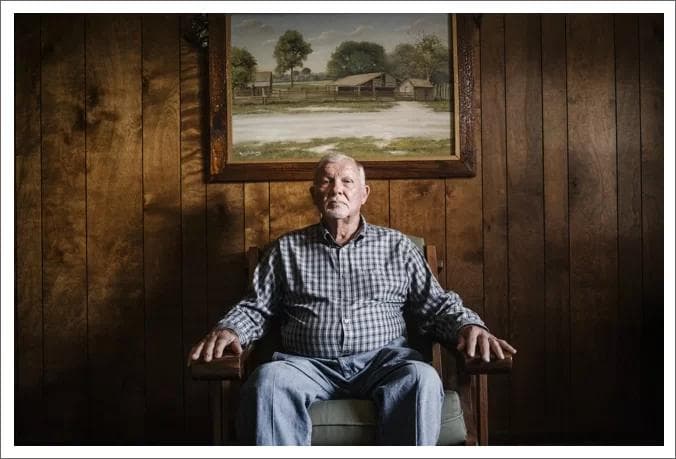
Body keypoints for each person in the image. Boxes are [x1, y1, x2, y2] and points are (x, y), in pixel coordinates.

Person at [188, 153, 516, 445]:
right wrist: (230, 329)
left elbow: (436, 305)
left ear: (364, 193)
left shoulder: (398, 247)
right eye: (326, 181)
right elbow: (256, 308)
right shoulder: (286, 250)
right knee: (268, 382)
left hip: (383, 362)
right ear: (314, 194)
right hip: (307, 365)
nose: (336, 189)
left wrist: (468, 325)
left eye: (347, 181)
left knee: (421, 378)